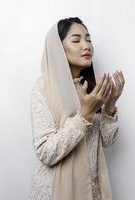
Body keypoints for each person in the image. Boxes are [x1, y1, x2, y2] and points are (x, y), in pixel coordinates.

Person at [28, 17, 125, 200]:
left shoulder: (91, 88)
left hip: (92, 189)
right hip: (56, 191)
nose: (86, 45)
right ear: (57, 48)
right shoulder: (43, 89)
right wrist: (85, 114)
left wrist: (110, 103)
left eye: (88, 39)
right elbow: (46, 152)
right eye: (76, 40)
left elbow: (107, 141)